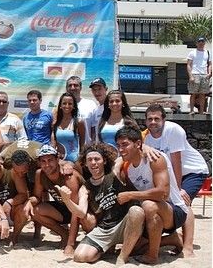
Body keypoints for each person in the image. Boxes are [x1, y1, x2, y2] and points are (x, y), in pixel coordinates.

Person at [58, 143, 144, 265]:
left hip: (125, 224)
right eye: (89, 160)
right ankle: (105, 249)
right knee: (80, 256)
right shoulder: (85, 188)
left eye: (97, 159)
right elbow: (81, 212)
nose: (93, 163)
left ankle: (123, 256)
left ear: (104, 161)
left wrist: (146, 147)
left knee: (136, 211)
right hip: (105, 228)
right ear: (85, 164)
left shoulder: (115, 173)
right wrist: (67, 200)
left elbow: (124, 156)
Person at [144, 104, 209, 258]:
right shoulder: (147, 138)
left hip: (193, 170)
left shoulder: (173, 130)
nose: (153, 122)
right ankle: (175, 238)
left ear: (164, 120)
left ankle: (188, 247)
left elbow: (176, 162)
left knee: (183, 202)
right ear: (146, 121)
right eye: (150, 119)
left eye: (157, 119)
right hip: (172, 174)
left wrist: (178, 189)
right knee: (171, 205)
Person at [115, 126, 188, 264]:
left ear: (137, 144)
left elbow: (163, 194)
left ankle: (152, 256)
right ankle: (171, 239)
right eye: (118, 145)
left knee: (149, 205)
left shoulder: (155, 158)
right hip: (152, 211)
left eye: (125, 145)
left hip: (174, 210)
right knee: (135, 248)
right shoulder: (128, 169)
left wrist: (130, 195)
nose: (120, 149)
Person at [23, 144, 84, 255]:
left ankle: (76, 241)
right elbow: (37, 197)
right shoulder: (39, 174)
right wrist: (29, 201)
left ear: (57, 160)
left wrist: (70, 245)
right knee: (35, 210)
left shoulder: (69, 177)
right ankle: (64, 234)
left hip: (80, 210)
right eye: (43, 161)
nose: (47, 164)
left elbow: (76, 211)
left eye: (50, 160)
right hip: (64, 208)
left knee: (88, 221)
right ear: (39, 163)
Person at [51, 92, 86, 162]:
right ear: (60, 106)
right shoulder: (55, 123)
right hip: (59, 161)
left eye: (70, 104)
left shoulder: (79, 122)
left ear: (73, 106)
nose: (67, 106)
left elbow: (82, 143)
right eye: (64, 103)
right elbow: (53, 144)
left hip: (74, 161)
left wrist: (81, 159)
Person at [65, 76, 97, 143]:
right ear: (66, 88)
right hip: (67, 149)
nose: (72, 88)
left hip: (86, 149)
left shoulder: (91, 104)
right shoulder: (61, 106)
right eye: (70, 85)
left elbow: (94, 130)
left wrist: (92, 147)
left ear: (81, 88)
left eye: (76, 85)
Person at [186, 37, 211, 115]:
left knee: (203, 94)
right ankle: (192, 110)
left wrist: (209, 73)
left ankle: (201, 111)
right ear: (196, 43)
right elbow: (188, 65)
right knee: (193, 93)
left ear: (204, 43)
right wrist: (191, 76)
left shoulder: (207, 52)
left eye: (202, 42)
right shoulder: (192, 52)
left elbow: (210, 64)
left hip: (204, 75)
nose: (201, 43)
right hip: (195, 74)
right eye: (199, 41)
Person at [86, 78, 108, 143]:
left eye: (99, 89)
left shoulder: (112, 106)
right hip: (100, 149)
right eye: (94, 90)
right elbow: (94, 133)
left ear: (106, 89)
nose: (97, 92)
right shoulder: (96, 110)